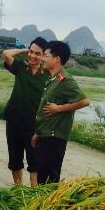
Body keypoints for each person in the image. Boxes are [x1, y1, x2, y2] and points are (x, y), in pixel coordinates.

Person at [32, 41, 90, 184]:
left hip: (54, 138)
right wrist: (38, 132)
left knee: (49, 182)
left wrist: (59, 109)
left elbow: (84, 101)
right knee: (42, 179)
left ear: (56, 58)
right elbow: (44, 110)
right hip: (45, 135)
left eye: (45, 55)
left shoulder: (65, 80)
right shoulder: (52, 79)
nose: (42, 59)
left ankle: (48, 206)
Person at [2, 37, 48, 186]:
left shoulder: (47, 74)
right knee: (15, 158)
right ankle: (19, 190)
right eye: (31, 52)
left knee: (34, 159)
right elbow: (6, 54)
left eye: (37, 53)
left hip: (33, 124)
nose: (33, 56)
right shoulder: (21, 67)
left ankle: (34, 194)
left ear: (43, 56)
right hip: (14, 120)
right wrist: (24, 50)